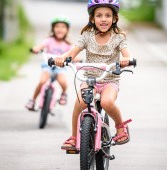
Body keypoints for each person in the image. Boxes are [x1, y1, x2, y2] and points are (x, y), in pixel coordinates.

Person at [54, 0, 132, 150]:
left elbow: (127, 55)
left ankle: (121, 127)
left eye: (108, 15)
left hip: (110, 80)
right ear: (92, 19)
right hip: (90, 79)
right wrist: (62, 58)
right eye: (99, 15)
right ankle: (74, 137)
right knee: (81, 101)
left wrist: (126, 60)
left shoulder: (118, 37)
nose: (103, 19)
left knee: (107, 102)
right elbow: (72, 52)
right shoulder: (87, 36)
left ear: (114, 18)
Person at [25, 16, 72, 111]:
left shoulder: (68, 45)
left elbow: (72, 55)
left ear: (67, 30)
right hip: (48, 65)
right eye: (57, 26)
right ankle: (33, 100)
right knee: (42, 81)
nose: (60, 29)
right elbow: (40, 46)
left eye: (63, 27)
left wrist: (77, 60)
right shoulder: (49, 40)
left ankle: (63, 94)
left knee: (63, 81)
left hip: (60, 67)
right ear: (53, 29)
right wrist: (36, 49)